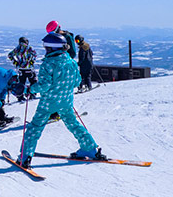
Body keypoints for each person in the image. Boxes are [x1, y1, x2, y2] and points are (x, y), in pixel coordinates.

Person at [16, 32, 106, 168]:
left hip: (48, 103)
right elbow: (77, 82)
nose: (45, 50)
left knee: (35, 128)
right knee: (73, 123)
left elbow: (44, 86)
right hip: (66, 100)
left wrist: (30, 89)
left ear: (51, 48)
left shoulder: (48, 64)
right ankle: (90, 148)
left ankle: (25, 156)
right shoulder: (71, 62)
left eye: (46, 48)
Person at [7, 37, 38, 101]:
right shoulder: (29, 48)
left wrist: (15, 62)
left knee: (21, 83)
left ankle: (20, 96)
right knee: (32, 81)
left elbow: (10, 55)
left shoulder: (17, 49)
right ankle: (32, 94)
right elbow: (35, 54)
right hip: (29, 68)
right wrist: (32, 61)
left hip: (21, 69)